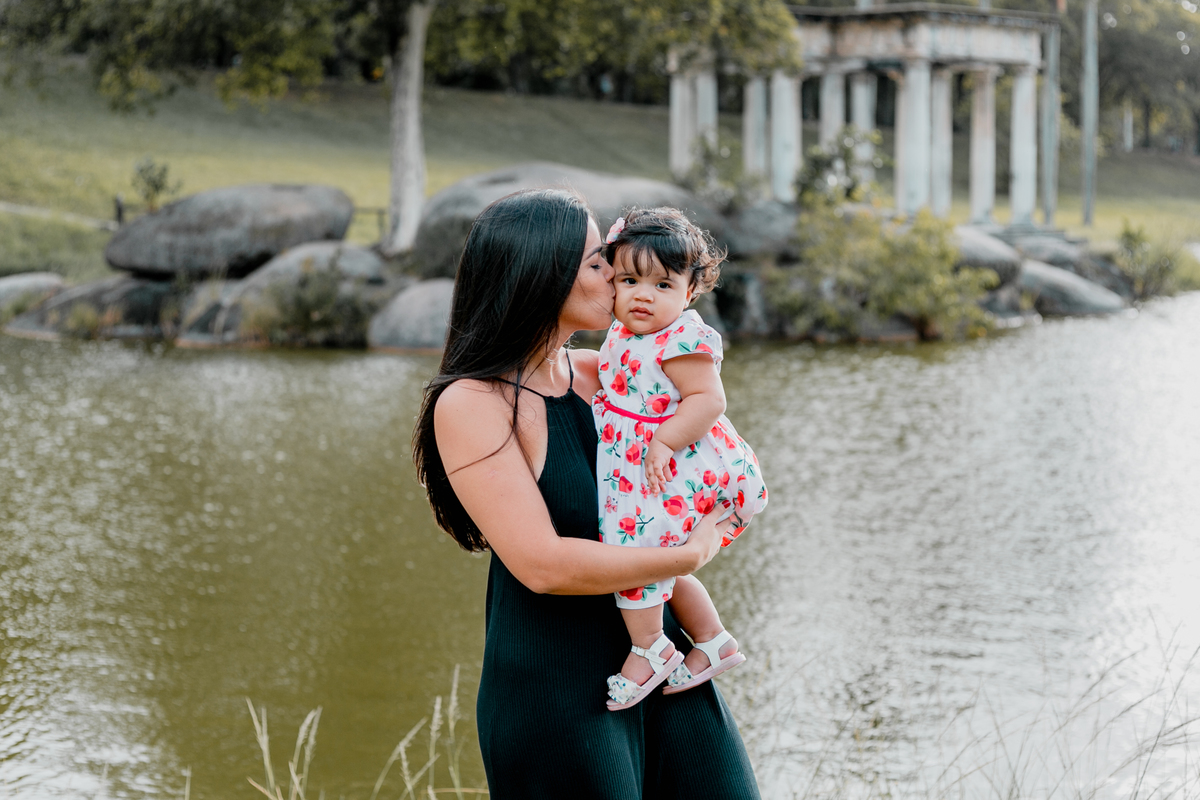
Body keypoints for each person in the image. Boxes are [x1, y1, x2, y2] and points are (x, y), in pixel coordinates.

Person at [413, 189, 761, 799]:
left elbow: (703, 459)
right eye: (600, 261)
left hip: (662, 663)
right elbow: (544, 566)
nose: (620, 274)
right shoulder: (473, 403)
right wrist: (686, 558)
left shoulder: (606, 377)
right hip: (558, 689)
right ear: (541, 275)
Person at [594, 208, 769, 711]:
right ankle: (713, 641)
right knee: (661, 559)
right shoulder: (628, 332)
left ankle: (652, 649)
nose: (643, 295)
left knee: (635, 560)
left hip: (675, 464)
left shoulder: (681, 338)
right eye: (629, 280)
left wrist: (665, 441)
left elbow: (708, 400)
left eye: (663, 285)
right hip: (642, 464)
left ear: (690, 293)